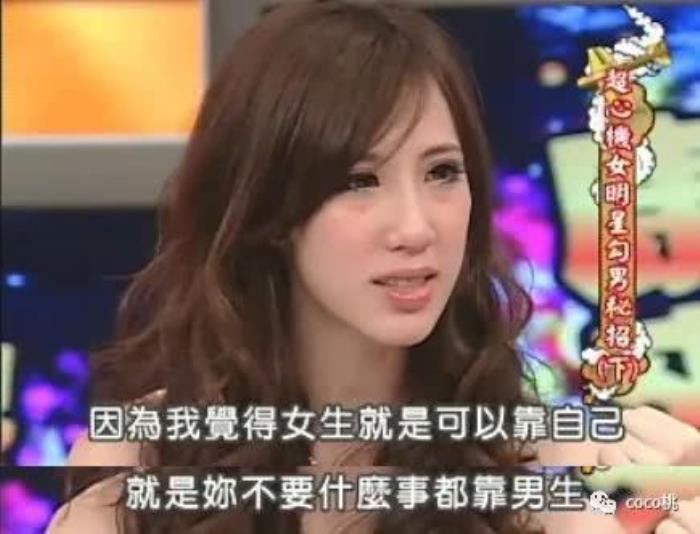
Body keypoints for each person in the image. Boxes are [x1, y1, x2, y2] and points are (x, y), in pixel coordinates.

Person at [47, 1, 700, 533]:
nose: (416, 228)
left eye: (442, 173)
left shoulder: (528, 492)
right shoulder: (141, 475)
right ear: (267, 207)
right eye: (359, 180)